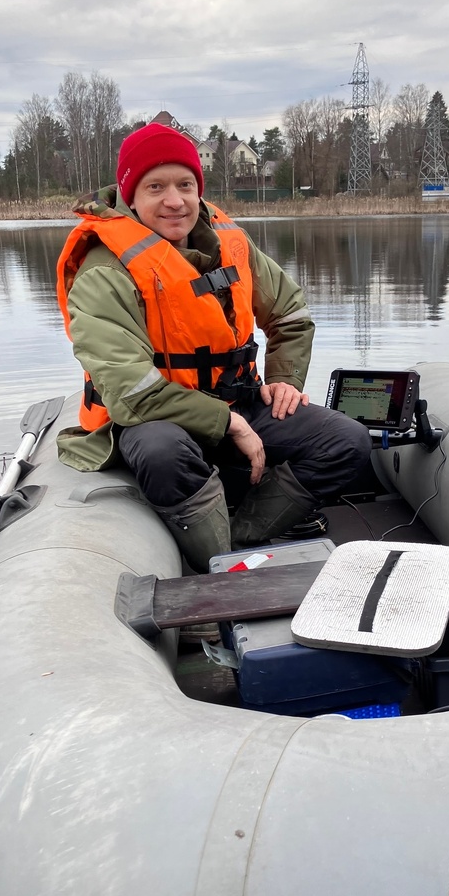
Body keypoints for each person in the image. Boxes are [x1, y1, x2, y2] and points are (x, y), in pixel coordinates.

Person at [55, 121, 372, 575]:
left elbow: (292, 315)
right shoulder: (105, 271)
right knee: (164, 453)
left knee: (347, 441)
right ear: (131, 196)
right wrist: (229, 424)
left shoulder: (231, 245)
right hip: (154, 420)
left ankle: (236, 539)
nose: (174, 200)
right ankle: (218, 571)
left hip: (239, 400)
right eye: (156, 187)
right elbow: (132, 395)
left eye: (185, 184)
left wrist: (284, 379)